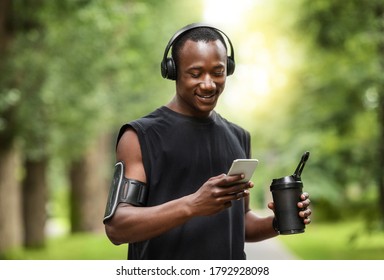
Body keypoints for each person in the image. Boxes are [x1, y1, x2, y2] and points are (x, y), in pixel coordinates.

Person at [103, 23, 312, 260]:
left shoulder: (239, 136)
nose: (208, 84)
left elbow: (239, 223)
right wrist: (192, 204)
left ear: (228, 69)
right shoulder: (139, 136)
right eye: (195, 73)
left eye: (217, 72)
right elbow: (117, 227)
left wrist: (280, 221)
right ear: (172, 70)